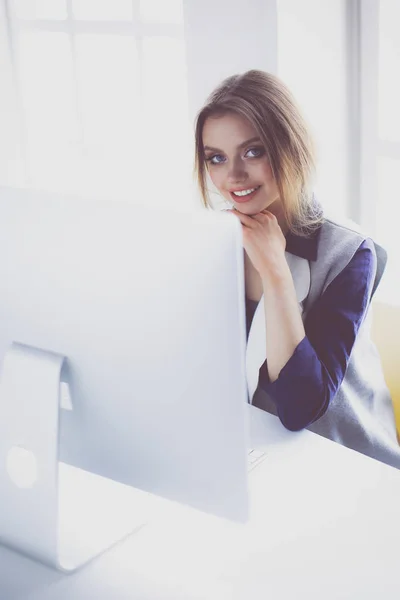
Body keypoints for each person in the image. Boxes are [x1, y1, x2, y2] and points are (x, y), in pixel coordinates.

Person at [194, 69, 400, 469]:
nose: (233, 176)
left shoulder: (351, 252)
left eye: (254, 152)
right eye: (216, 158)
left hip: (344, 463)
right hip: (253, 455)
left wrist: (274, 270)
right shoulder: (211, 239)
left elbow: (300, 406)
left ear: (289, 147)